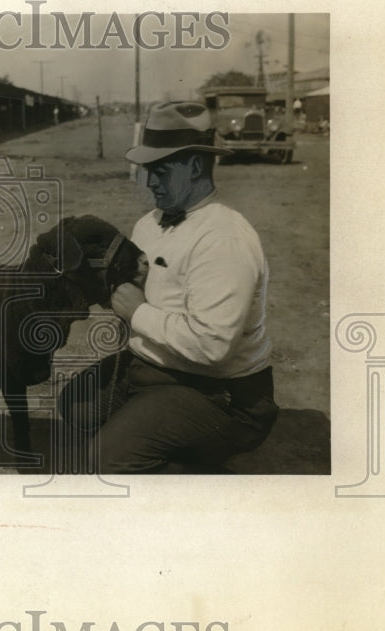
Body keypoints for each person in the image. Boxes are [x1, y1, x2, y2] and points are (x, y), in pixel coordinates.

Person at [59, 100, 279, 473]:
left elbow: (213, 348)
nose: (149, 181)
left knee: (103, 461)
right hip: (156, 367)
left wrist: (138, 311)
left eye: (160, 171)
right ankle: (165, 443)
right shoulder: (150, 223)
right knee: (76, 405)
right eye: (147, 170)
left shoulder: (224, 238)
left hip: (220, 394)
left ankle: (189, 473)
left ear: (194, 166)